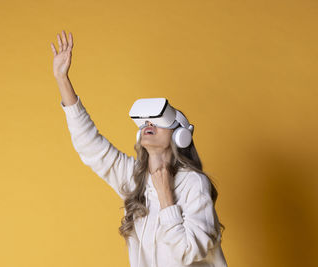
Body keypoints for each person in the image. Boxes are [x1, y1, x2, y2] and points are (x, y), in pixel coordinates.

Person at [51, 30, 228, 267]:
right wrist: (62, 79)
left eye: (158, 121)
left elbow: (188, 252)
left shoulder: (194, 184)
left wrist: (166, 197)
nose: (149, 124)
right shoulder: (134, 179)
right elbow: (90, 145)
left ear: (181, 136)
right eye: (145, 122)